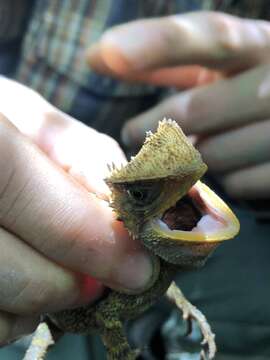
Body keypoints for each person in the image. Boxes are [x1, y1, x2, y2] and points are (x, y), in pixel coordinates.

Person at [0, 1, 269, 359]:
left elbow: (156, 278)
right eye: (143, 196)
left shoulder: (154, 255)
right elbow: (112, 314)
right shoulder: (116, 241)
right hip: (39, 285)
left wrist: (182, 303)